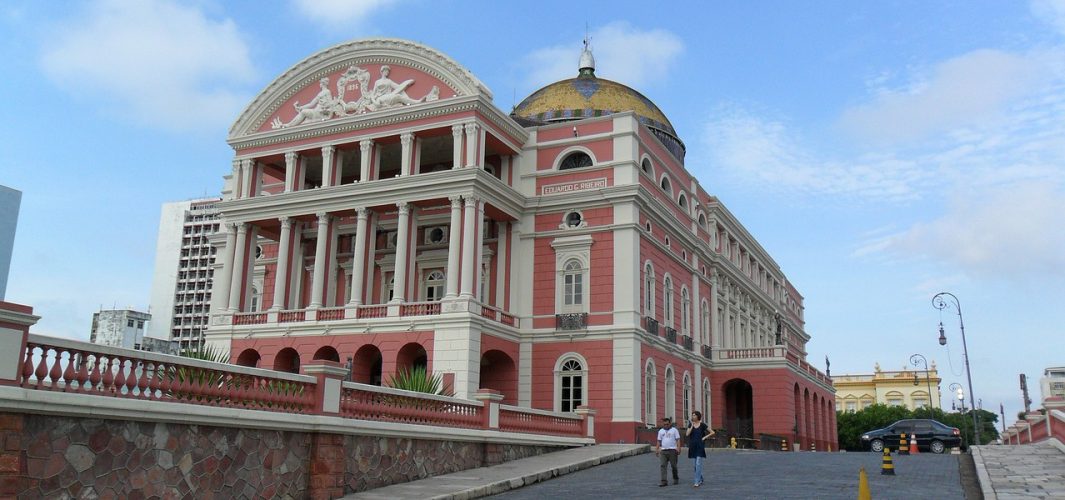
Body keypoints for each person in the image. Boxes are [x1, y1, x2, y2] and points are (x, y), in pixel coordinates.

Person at [685, 411, 715, 487]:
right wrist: (691, 426)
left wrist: (704, 437)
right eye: (692, 415)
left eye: (694, 415)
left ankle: (696, 481)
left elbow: (712, 432)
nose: (693, 416)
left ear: (698, 416)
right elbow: (687, 434)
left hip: (700, 446)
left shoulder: (702, 425)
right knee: (695, 465)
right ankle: (700, 478)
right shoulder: (690, 425)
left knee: (698, 463)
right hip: (693, 446)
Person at [656, 417, 681, 486]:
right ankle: (664, 481)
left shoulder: (674, 430)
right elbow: (659, 441)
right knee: (663, 465)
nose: (666, 426)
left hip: (672, 450)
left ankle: (675, 478)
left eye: (667, 424)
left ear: (670, 424)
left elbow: (678, 439)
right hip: (663, 451)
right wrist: (657, 449)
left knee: (674, 466)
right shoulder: (660, 431)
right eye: (664, 424)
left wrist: (679, 448)